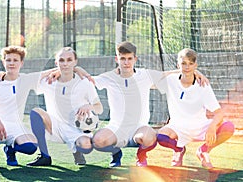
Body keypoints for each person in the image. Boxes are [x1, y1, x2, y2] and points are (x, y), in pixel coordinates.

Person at [62, 41, 209, 168]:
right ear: (117, 59)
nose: (126, 62)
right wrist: (75, 68)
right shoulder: (109, 77)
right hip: (116, 127)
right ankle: (116, 153)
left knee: (150, 137)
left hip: (139, 127)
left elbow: (167, 74)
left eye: (129, 58)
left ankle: (141, 155)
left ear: (135, 59)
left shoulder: (145, 75)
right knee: (98, 141)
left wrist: (194, 73)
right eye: (122, 58)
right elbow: (88, 80)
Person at [0, 45, 57, 169]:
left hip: (15, 127)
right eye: (8, 60)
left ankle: (10, 149)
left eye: (15, 60)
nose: (11, 63)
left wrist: (76, 69)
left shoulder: (25, 79)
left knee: (30, 147)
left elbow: (56, 70)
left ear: (21, 63)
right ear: (4, 62)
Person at [156, 48, 235, 169]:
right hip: (177, 127)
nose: (187, 67)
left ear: (195, 65)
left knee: (228, 127)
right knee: (160, 136)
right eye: (183, 63)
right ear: (178, 64)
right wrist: (181, 71)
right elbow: (153, 79)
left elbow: (218, 113)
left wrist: (212, 127)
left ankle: (203, 151)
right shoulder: (171, 80)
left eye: (190, 64)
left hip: (200, 126)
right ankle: (178, 150)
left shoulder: (202, 84)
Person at [26, 47, 103, 166]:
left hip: (77, 128)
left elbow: (99, 108)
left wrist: (89, 106)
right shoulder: (49, 81)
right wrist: (57, 70)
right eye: (61, 60)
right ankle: (44, 156)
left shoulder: (84, 83)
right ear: (56, 63)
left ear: (75, 61)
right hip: (55, 126)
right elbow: (28, 79)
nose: (65, 64)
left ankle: (78, 152)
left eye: (69, 60)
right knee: (36, 112)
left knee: (86, 146)